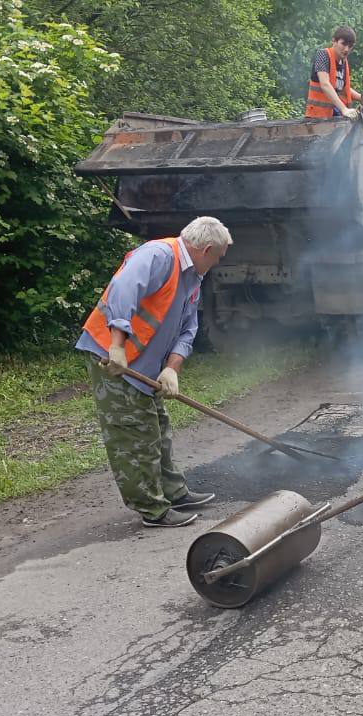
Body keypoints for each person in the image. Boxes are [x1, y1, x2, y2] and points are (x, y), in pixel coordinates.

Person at [76, 217, 233, 528]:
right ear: (207, 249)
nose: (217, 264)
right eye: (218, 257)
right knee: (134, 432)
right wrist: (117, 345)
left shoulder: (192, 277)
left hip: (145, 365)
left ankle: (174, 492)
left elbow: (188, 328)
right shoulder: (159, 255)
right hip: (115, 361)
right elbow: (122, 289)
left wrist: (171, 368)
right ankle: (152, 509)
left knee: (158, 426)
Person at [306, 27, 361, 119]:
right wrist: (344, 109)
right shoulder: (323, 55)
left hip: (332, 117)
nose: (346, 49)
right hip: (316, 119)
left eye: (350, 46)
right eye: (343, 44)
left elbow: (343, 89)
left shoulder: (343, 62)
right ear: (334, 41)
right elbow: (325, 84)